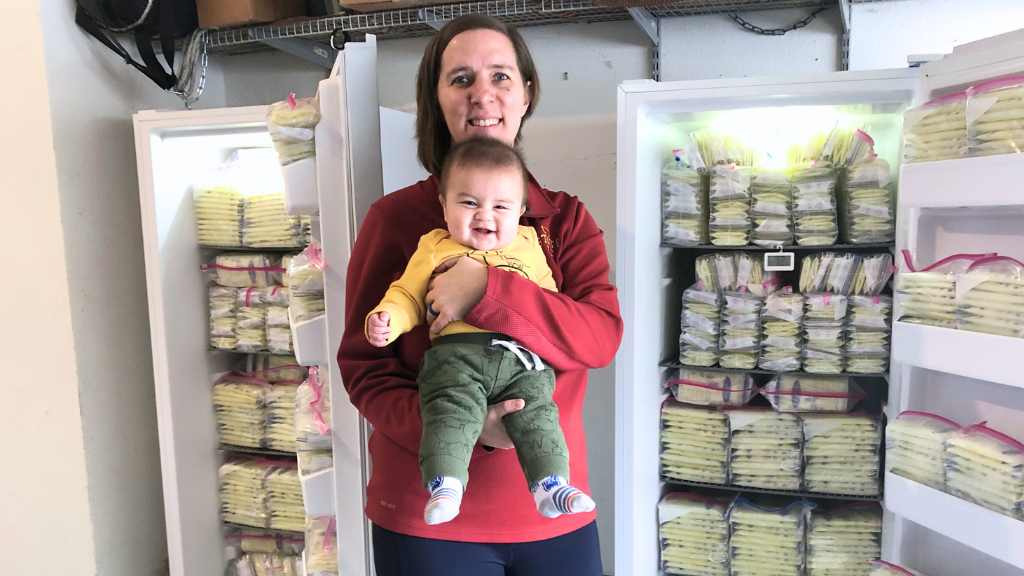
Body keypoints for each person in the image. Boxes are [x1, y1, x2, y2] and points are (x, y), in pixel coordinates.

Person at [338, 13, 622, 576]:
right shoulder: (395, 220)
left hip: (551, 511)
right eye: (461, 79)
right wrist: (467, 428)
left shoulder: (563, 220)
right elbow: (364, 369)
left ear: (526, 94)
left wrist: (488, 289)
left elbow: (599, 338)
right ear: (436, 100)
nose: (482, 95)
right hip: (426, 518)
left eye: (501, 77)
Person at [365, 137, 596, 526]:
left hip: (521, 359)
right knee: (449, 411)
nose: (484, 215)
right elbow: (407, 292)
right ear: (444, 205)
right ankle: (445, 483)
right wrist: (389, 318)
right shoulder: (434, 247)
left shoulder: (529, 247)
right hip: (457, 357)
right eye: (469, 202)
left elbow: (551, 304)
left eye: (501, 206)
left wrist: (504, 295)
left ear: (521, 212)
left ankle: (551, 485)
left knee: (538, 412)